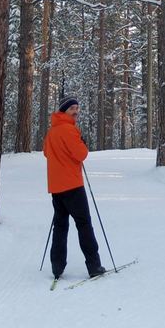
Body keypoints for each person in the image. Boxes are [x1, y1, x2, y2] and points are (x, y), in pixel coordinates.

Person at [43, 96, 105, 280]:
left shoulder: (52, 131)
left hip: (56, 187)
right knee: (84, 225)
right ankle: (94, 266)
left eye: (77, 108)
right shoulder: (69, 130)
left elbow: (47, 153)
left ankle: (57, 267)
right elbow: (81, 154)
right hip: (73, 186)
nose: (76, 111)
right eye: (72, 109)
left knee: (60, 226)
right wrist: (82, 143)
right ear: (64, 111)